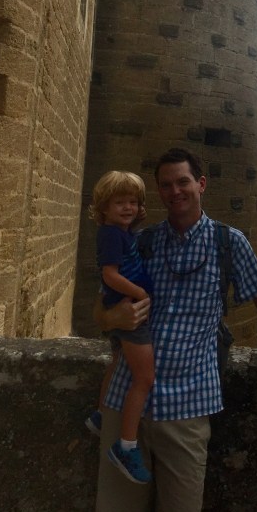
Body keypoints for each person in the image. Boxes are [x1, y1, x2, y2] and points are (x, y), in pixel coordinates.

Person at [94, 148, 257, 512]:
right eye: (166, 185)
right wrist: (112, 318)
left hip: (186, 408)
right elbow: (100, 309)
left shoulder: (228, 242)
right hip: (124, 404)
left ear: (201, 184)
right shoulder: (142, 242)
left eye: (182, 182)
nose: (175, 191)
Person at [86, 170, 155, 485]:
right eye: (120, 203)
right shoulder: (112, 235)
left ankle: (101, 415)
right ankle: (126, 447)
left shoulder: (120, 232)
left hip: (122, 309)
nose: (128, 208)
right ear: (104, 207)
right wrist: (141, 294)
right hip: (131, 314)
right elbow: (109, 275)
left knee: (118, 362)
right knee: (144, 378)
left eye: (133, 202)